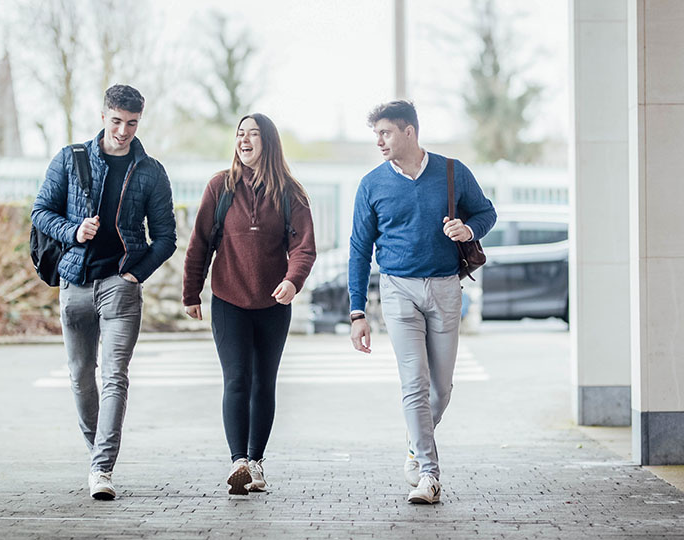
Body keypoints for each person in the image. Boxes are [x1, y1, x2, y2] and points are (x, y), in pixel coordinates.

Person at [31, 84, 176, 500]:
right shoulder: (71, 158)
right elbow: (41, 212)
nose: (123, 131)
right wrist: (74, 231)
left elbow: (165, 237)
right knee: (80, 377)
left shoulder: (150, 171)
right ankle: (98, 454)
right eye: (116, 122)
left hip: (120, 285)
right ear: (103, 116)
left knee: (115, 376)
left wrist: (137, 274)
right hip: (75, 283)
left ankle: (101, 467)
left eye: (131, 124)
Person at [348, 100, 496, 504]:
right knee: (413, 383)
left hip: (446, 287)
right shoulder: (372, 184)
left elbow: (487, 213)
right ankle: (429, 474)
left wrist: (467, 229)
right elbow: (359, 249)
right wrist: (357, 311)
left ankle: (416, 443)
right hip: (397, 290)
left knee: (441, 388)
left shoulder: (452, 172)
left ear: (409, 132)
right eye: (376, 134)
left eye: (386, 133)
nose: (379, 141)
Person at [182, 113, 316, 495]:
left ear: (268, 143)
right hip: (229, 300)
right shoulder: (219, 188)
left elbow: (304, 247)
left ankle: (256, 463)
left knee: (264, 383)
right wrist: (192, 292)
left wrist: (293, 281)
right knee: (237, 378)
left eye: (253, 134)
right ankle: (237, 460)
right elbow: (199, 243)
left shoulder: (291, 193)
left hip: (274, 304)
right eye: (240, 134)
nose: (245, 140)